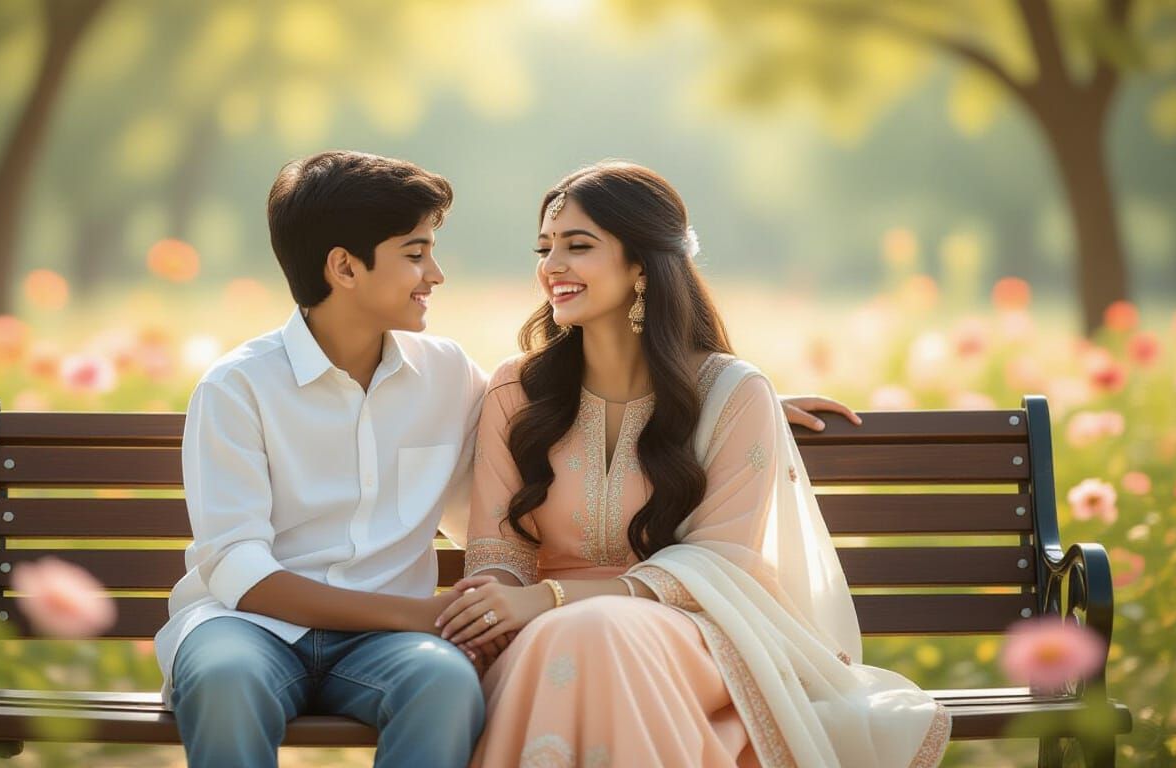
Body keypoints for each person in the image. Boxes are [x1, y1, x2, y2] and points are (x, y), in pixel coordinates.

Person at [156, 150, 861, 767]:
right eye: (415, 252)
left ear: (642, 264)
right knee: (226, 680)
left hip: (465, 641)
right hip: (252, 630)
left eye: (575, 246)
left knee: (449, 682)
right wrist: (439, 613)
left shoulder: (447, 377)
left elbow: (708, 544)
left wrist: (730, 397)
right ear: (344, 266)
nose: (435, 273)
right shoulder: (240, 388)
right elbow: (240, 569)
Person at [438, 161, 949, 767]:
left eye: (578, 246)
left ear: (642, 266)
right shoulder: (516, 393)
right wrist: (497, 604)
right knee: (579, 638)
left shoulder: (729, 396)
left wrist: (549, 599)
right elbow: (499, 556)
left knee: (595, 632)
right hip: (542, 640)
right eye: (544, 247)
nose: (551, 267)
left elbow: (720, 563)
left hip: (693, 632)